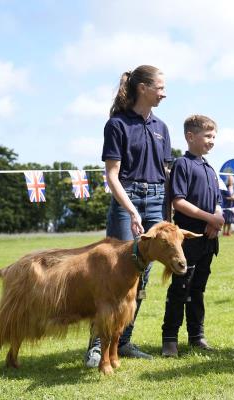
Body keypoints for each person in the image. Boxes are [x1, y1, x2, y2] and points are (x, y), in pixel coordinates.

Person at [84, 65, 173, 367]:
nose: (164, 92)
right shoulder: (117, 125)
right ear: (143, 88)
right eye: (160, 87)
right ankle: (97, 346)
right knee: (113, 275)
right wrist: (131, 209)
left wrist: (167, 216)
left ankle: (123, 341)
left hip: (157, 201)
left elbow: (166, 173)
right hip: (128, 199)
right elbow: (112, 175)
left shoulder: (162, 127)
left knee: (142, 276)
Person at [161, 115, 224, 357]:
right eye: (208, 136)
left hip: (209, 241)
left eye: (214, 137)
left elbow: (217, 202)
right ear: (190, 136)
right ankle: (170, 339)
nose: (212, 141)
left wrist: (215, 221)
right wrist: (208, 218)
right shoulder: (182, 165)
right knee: (181, 289)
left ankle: (196, 336)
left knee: (198, 290)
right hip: (188, 242)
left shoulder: (209, 168)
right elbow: (179, 201)